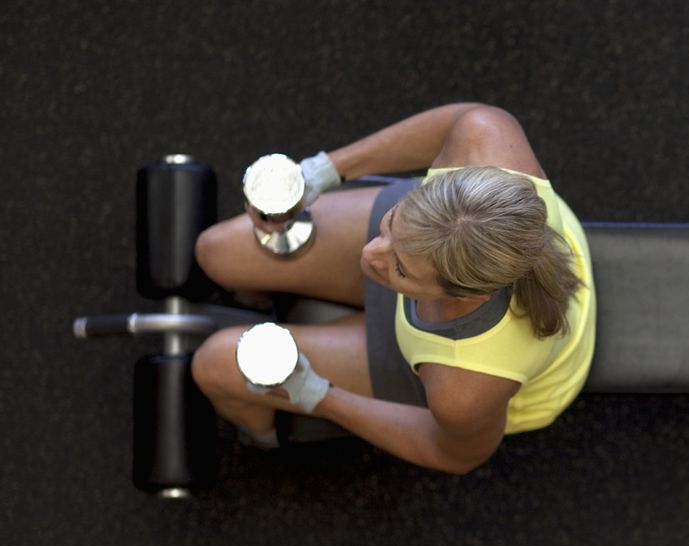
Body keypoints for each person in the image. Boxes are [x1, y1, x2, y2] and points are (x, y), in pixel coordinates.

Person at [191, 103, 596, 475]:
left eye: (397, 270)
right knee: (213, 252)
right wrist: (322, 172)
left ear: (463, 296)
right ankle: (272, 291)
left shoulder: (464, 386)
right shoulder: (484, 138)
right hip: (439, 250)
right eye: (391, 222)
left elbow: (455, 455)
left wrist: (318, 398)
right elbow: (448, 127)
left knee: (214, 365)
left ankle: (264, 437)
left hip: (437, 358)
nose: (369, 255)